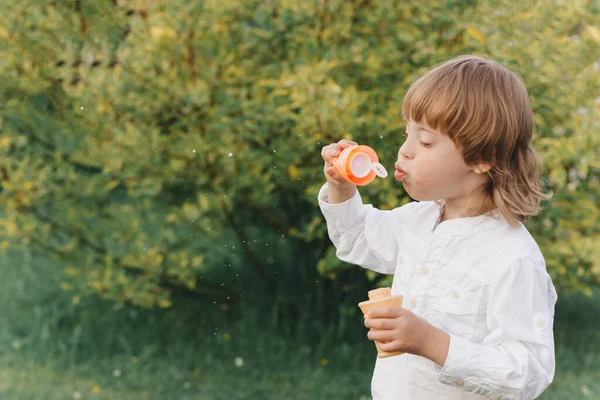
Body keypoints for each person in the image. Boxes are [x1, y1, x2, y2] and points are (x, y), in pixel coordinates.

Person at [318, 55, 557, 399]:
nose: (405, 150)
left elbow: (528, 372)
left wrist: (433, 343)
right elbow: (356, 238)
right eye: (407, 134)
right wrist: (342, 186)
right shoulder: (419, 219)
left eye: (426, 141)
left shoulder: (512, 259)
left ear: (481, 158)